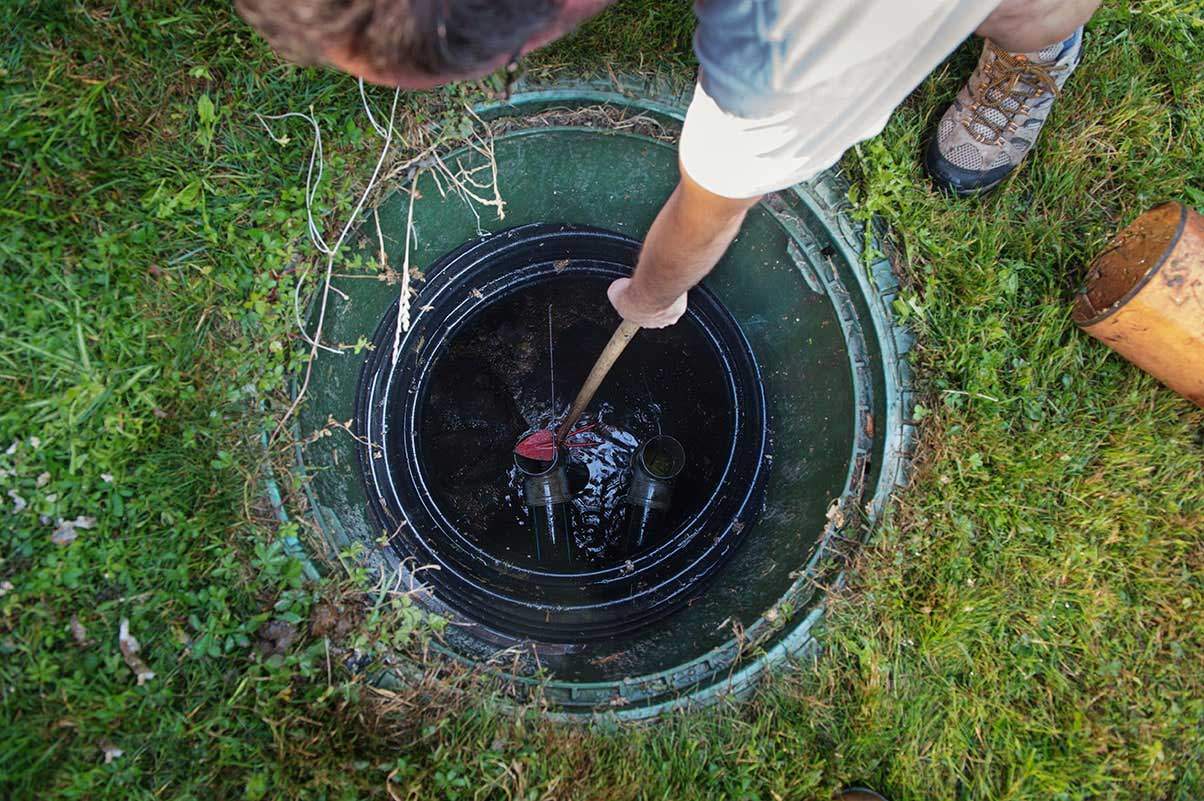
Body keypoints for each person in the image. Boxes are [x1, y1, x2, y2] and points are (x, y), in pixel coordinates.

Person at [237, 0, 1099, 328]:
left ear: (544, 26)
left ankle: (1038, 42)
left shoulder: (782, 45)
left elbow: (715, 206)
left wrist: (649, 296)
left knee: (1022, 8)